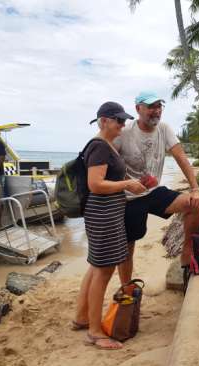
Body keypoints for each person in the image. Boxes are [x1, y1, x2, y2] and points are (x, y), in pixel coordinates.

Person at [74, 101, 146, 350]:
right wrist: (127, 185)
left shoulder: (106, 147)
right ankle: (94, 332)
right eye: (118, 121)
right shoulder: (99, 147)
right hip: (102, 213)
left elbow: (109, 179)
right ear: (103, 121)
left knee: (97, 268)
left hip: (107, 212)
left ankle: (82, 318)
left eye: (124, 121)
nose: (123, 125)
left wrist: (131, 181)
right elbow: (96, 184)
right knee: (103, 271)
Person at [114, 91, 199, 285]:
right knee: (127, 246)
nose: (156, 111)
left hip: (154, 193)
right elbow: (109, 165)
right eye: (151, 107)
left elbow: (181, 157)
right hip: (129, 198)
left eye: (159, 106)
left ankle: (187, 250)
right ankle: (126, 287)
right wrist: (130, 180)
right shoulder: (124, 132)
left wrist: (195, 188)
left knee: (195, 205)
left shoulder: (164, 129)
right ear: (138, 109)